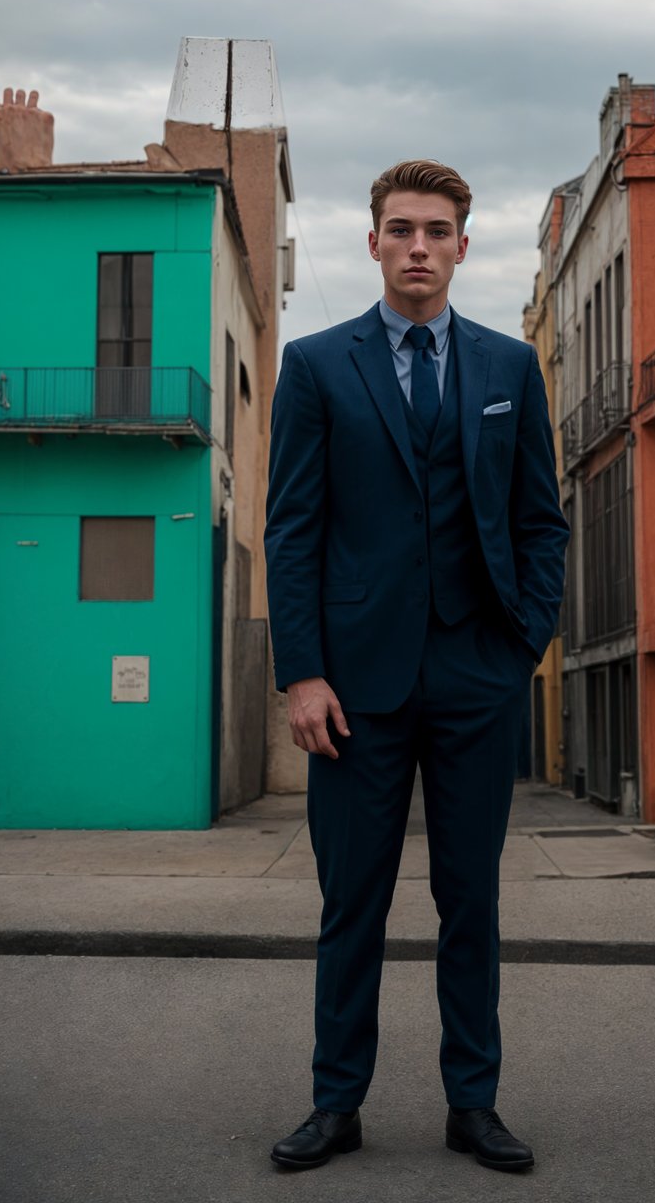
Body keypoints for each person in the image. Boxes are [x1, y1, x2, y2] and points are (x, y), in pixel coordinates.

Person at [264, 159, 568, 1172]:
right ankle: (335, 1104)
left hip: (478, 674)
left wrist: (523, 639)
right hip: (354, 685)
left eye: (436, 230)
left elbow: (539, 520)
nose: (419, 247)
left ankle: (471, 1104)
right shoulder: (314, 366)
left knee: (469, 901)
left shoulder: (507, 368)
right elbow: (293, 528)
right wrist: (300, 672)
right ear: (374, 243)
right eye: (401, 229)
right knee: (352, 900)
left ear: (462, 246)